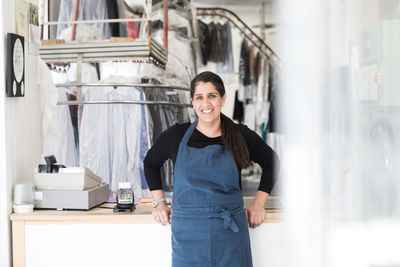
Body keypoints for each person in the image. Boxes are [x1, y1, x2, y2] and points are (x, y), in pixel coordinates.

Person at [143, 71, 279, 267]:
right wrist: (159, 203)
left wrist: (259, 204)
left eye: (212, 96)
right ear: (192, 101)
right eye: (199, 97)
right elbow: (150, 163)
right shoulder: (176, 136)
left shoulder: (240, 135)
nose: (206, 104)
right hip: (188, 236)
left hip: (230, 235)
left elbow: (272, 162)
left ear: (223, 99)